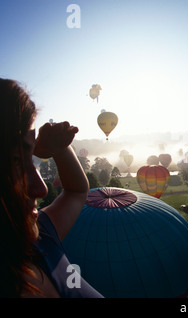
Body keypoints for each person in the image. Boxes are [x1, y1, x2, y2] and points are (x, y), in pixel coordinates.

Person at [0, 78, 103, 298]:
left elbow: (76, 191)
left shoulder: (36, 237)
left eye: (32, 155)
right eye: (16, 161)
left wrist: (59, 149)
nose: (41, 189)